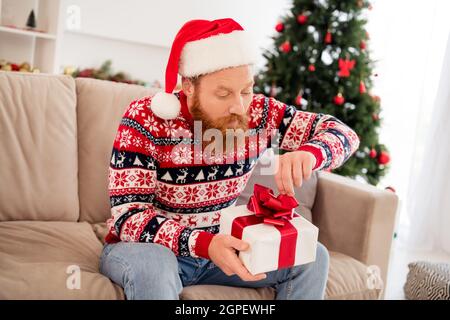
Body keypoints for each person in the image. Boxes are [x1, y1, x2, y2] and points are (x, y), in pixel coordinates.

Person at [99, 18, 360, 300]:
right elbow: (129, 217)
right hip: (154, 249)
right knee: (154, 266)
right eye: (223, 93)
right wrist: (204, 243)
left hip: (223, 245)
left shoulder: (259, 113)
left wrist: (312, 153)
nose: (239, 105)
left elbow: (344, 133)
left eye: (246, 90)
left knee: (312, 256)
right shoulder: (146, 119)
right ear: (188, 86)